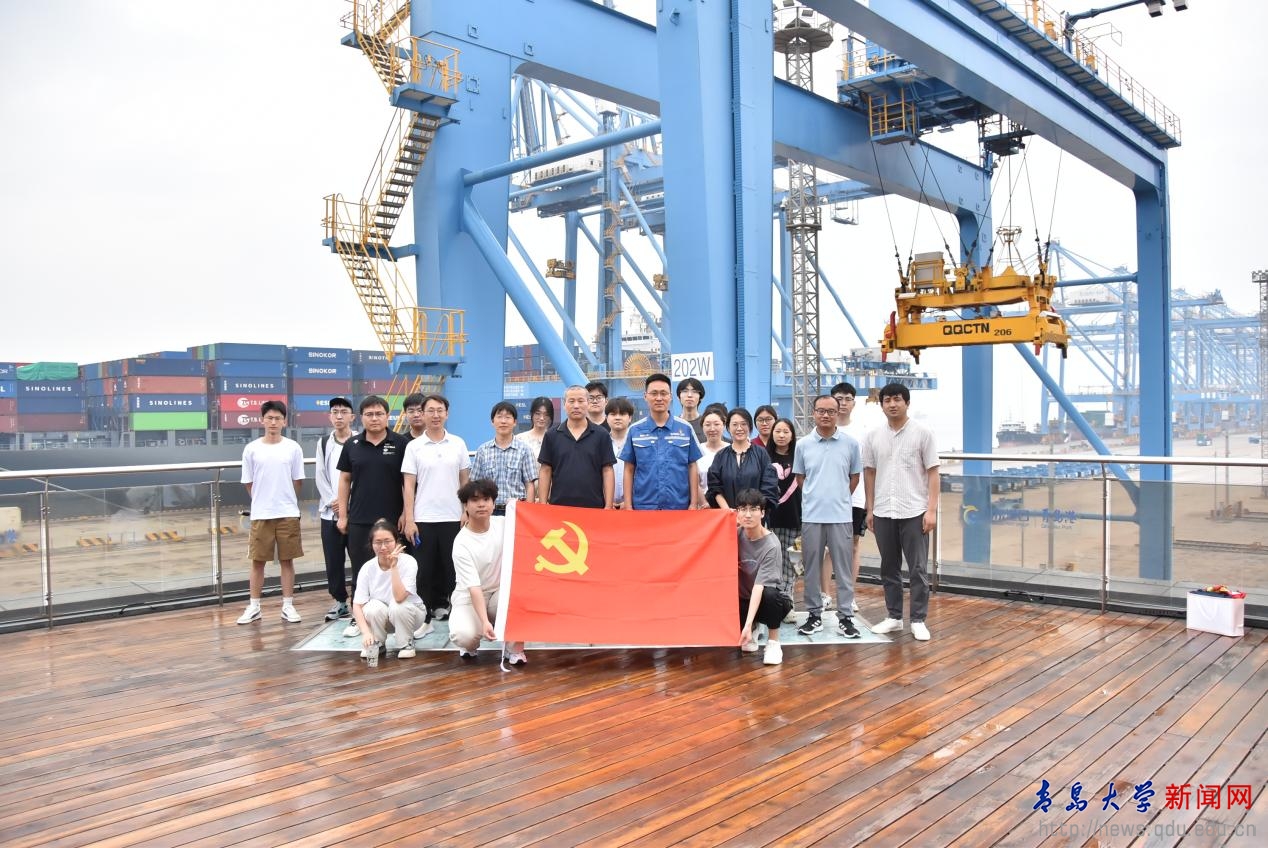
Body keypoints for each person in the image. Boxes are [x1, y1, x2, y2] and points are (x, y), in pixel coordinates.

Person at [864, 382, 940, 641]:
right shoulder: (873, 436)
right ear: (881, 405)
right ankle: (894, 617)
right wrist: (870, 509)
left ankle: (918, 619)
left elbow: (933, 472)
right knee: (889, 567)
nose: (892, 404)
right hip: (884, 510)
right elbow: (870, 473)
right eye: (887, 400)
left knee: (917, 568)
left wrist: (932, 510)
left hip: (914, 511)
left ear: (907, 403)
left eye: (897, 399)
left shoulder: (923, 433)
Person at [336, 395, 409, 639]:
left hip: (393, 521)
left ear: (388, 417)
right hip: (360, 519)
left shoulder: (401, 443)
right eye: (369, 414)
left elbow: (407, 482)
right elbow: (344, 480)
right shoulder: (352, 444)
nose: (374, 418)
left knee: (396, 567)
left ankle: (397, 616)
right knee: (360, 570)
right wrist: (343, 515)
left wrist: (406, 513)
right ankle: (359, 618)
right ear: (361, 418)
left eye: (379, 414)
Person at [794, 395, 864, 639]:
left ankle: (845, 617)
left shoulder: (851, 444)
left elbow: (855, 477)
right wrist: (815, 497)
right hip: (812, 516)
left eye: (831, 411)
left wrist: (839, 497)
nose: (826, 415)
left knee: (843, 569)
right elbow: (800, 478)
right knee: (811, 568)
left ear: (838, 413)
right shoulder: (803, 444)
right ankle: (814, 615)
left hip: (841, 516)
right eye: (821, 411)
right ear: (813, 413)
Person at [236, 400, 306, 625]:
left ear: (284, 421)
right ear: (262, 420)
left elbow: (297, 481)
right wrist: (262, 501)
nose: (273, 422)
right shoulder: (251, 448)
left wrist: (284, 500)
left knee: (287, 560)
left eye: (278, 418)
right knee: (257, 561)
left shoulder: (293, 448)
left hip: (287, 512)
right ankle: (254, 606)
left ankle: (288, 605)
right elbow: (248, 482)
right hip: (261, 514)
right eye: (269, 418)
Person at [402, 394, 470, 622]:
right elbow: (409, 485)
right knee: (423, 570)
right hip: (424, 518)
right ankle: (424, 616)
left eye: (440, 410)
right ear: (423, 414)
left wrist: (465, 511)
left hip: (453, 517)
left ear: (447, 414)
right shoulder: (414, 447)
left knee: (453, 569)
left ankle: (455, 611)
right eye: (430, 410)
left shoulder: (458, 443)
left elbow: (464, 481)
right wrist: (410, 519)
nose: (435, 415)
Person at [448, 478, 526, 664]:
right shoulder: (461, 543)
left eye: (486, 499)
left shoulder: (505, 524)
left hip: (500, 593)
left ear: (493, 503)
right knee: (464, 635)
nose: (481, 504)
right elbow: (474, 588)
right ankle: (471, 643)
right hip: (470, 596)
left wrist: (517, 507)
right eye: (475, 500)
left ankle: (514, 649)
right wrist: (484, 622)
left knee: (522, 595)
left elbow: (532, 524)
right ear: (465, 506)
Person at [622, 373, 702, 510]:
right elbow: (629, 469)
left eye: (663, 393)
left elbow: (692, 467)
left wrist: (693, 504)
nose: (659, 398)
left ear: (670, 396)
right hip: (644, 508)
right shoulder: (634, 430)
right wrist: (628, 506)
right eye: (654, 393)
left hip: (679, 507)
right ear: (645, 396)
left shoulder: (685, 428)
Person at [350, 519, 427, 660]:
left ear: (396, 542)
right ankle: (376, 643)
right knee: (372, 607)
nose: (383, 547)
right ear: (371, 544)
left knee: (398, 605)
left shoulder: (409, 562)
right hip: (383, 617)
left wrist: (394, 567)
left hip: (410, 614)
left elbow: (399, 597)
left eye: (388, 541)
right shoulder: (367, 568)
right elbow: (357, 605)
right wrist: (366, 633)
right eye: (378, 542)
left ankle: (406, 643)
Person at [735, 488, 792, 666]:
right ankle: (752, 628)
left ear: (762, 513)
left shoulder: (771, 545)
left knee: (770, 594)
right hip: (743, 599)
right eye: (743, 509)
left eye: (753, 509)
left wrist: (746, 624)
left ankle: (774, 642)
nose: (748, 515)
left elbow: (759, 586)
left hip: (768, 600)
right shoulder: (733, 535)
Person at [538, 385, 616, 509]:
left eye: (580, 401)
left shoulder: (601, 435)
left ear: (588, 403)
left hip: (594, 507)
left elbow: (607, 470)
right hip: (559, 507)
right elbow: (545, 470)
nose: (576, 406)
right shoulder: (552, 435)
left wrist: (608, 505)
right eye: (571, 401)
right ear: (564, 404)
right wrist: (542, 505)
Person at [316, 396, 357, 621]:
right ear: (330, 416)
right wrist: (335, 501)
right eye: (335, 412)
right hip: (329, 512)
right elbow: (320, 475)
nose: (339, 416)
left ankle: (360, 602)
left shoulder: (360, 441)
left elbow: (361, 475)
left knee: (359, 558)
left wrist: (347, 504)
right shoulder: (324, 443)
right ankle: (340, 601)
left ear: (352, 417)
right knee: (333, 560)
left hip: (355, 511)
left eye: (343, 412)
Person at [834, 381, 870, 614]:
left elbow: (868, 467)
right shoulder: (823, 428)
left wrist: (869, 500)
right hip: (828, 498)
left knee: (853, 545)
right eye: (839, 399)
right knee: (827, 547)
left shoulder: (862, 432)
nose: (843, 403)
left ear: (854, 403)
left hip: (856, 497)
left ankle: (849, 595)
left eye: (848, 399)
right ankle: (826, 594)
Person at [469, 400, 537, 515]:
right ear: (492, 421)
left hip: (517, 511)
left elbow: (529, 484)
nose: (503, 421)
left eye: (508, 417)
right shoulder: (483, 451)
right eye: (499, 417)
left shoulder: (525, 450)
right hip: (488, 511)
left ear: (515, 422)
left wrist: (529, 512)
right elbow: (474, 484)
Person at [706, 407, 778, 512]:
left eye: (743, 424)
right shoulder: (720, 456)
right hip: (728, 515)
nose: (739, 428)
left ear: (750, 427)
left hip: (755, 515)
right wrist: (728, 510)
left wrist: (751, 511)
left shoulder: (761, 454)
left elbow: (769, 486)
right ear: (728, 428)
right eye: (734, 424)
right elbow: (714, 487)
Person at [766, 417, 801, 603]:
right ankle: (774, 600)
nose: (781, 435)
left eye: (786, 431)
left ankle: (788, 600)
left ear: (792, 435)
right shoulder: (764, 456)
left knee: (791, 561)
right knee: (773, 559)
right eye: (778, 431)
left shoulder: (799, 456)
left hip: (795, 516)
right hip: (771, 518)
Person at [606, 396, 635, 508]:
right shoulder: (600, 442)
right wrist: (607, 501)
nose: (617, 418)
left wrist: (628, 501)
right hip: (606, 505)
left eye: (622, 414)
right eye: (613, 414)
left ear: (630, 418)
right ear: (606, 418)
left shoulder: (636, 442)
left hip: (631, 505)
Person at [694, 408, 727, 507]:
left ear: (724, 426)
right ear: (702, 427)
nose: (712, 429)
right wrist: (704, 503)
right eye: (707, 425)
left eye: (716, 424)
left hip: (729, 504)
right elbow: (694, 482)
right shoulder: (696, 451)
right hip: (704, 505)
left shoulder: (731, 449)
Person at [516, 396, 554, 461]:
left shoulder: (555, 439)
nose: (542, 418)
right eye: (538, 414)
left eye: (546, 414)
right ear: (532, 414)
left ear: (550, 417)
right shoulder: (519, 439)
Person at [676, 377, 706, 443]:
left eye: (694, 391)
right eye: (685, 391)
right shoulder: (673, 424)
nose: (689, 395)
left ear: (700, 397)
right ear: (678, 397)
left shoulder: (706, 423)